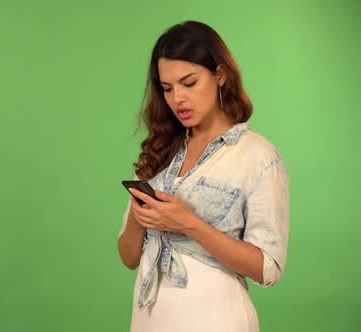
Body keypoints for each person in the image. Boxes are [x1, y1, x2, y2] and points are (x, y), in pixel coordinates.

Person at [117, 21, 289, 332]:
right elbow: (129, 257)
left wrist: (189, 224)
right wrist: (137, 216)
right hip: (147, 318)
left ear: (220, 76)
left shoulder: (258, 155)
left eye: (189, 83)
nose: (177, 98)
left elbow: (267, 269)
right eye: (167, 88)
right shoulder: (160, 151)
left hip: (215, 317)